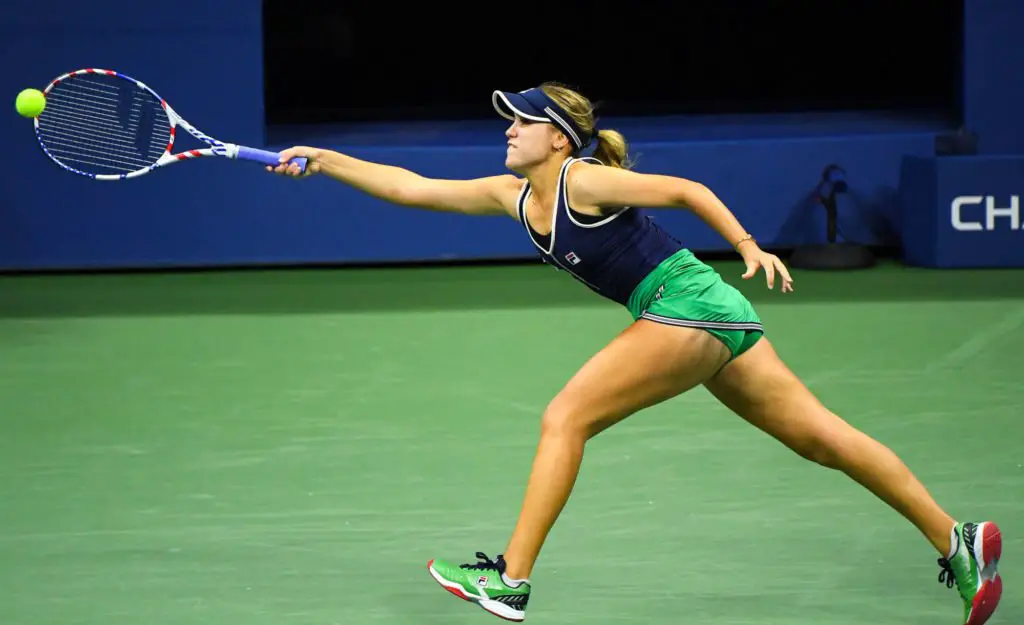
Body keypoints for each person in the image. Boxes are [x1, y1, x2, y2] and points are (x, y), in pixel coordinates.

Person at [268, 82, 1003, 625]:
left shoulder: (585, 180)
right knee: (823, 439)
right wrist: (326, 158)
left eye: (523, 121)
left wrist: (748, 245)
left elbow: (687, 189)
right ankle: (956, 539)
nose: (510, 130)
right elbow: (413, 188)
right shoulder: (512, 195)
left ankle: (511, 580)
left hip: (685, 304)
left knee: (566, 417)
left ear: (559, 139)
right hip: (709, 311)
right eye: (510, 120)